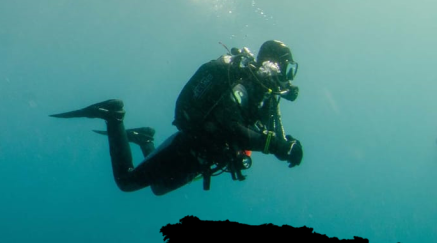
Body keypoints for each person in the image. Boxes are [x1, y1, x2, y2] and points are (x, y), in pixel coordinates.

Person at [52, 40, 303, 195]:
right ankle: (114, 115)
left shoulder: (262, 96)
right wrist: (277, 146)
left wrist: (283, 144)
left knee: (159, 188)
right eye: (287, 69)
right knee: (127, 182)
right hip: (188, 147)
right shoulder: (244, 87)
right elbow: (231, 128)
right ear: (274, 64)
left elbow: (263, 135)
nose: (288, 78)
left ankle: (143, 139)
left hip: (202, 158)